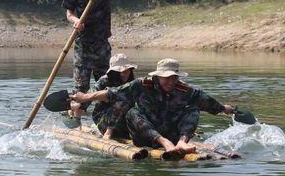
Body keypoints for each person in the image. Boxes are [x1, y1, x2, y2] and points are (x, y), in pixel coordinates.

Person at [71, 58, 235, 156]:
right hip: (145, 135)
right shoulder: (141, 85)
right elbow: (112, 94)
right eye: (166, 78)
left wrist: (225, 109)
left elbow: (207, 102)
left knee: (193, 108)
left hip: (169, 131)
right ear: (157, 77)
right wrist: (86, 97)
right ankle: (164, 143)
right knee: (132, 112)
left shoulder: (184, 89)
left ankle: (182, 142)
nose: (170, 82)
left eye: (174, 78)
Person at [61, 0, 136, 96]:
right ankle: (76, 113)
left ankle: (103, 114)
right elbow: (69, 13)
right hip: (83, 44)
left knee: (106, 84)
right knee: (81, 87)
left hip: (102, 43)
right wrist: (75, 21)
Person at [90, 53, 137, 139]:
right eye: (123, 71)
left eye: (128, 70)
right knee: (122, 101)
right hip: (104, 119)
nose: (126, 74)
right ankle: (108, 133)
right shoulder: (104, 81)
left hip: (123, 119)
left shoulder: (131, 82)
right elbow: (92, 95)